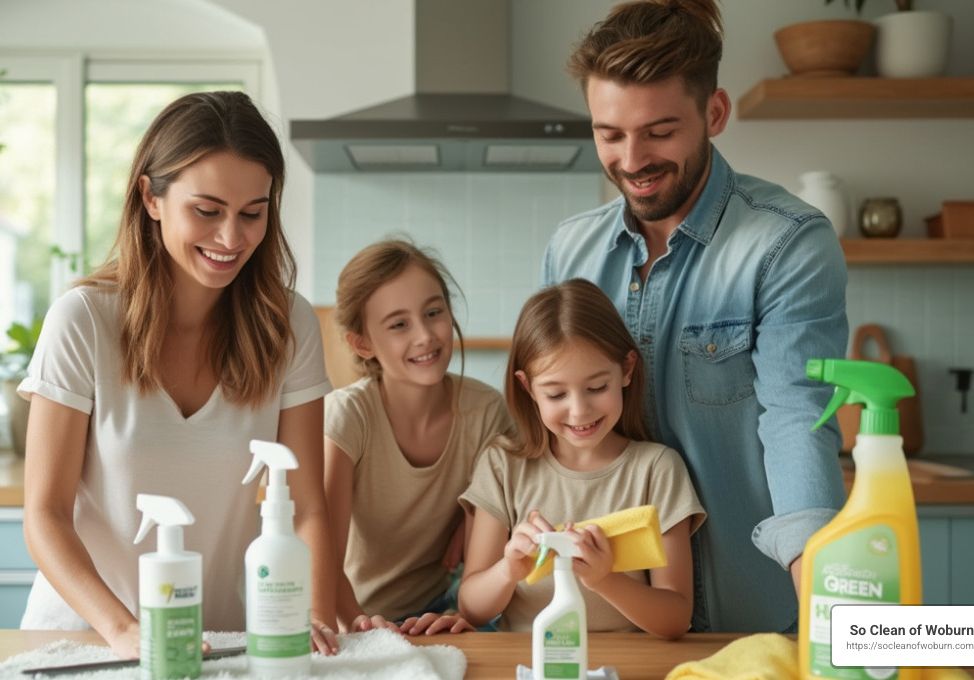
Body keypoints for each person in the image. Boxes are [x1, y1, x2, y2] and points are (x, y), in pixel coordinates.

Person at [541, 0, 849, 633]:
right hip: (610, 624)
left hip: (747, 618)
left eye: (659, 131)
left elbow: (798, 423)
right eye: (609, 133)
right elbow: (543, 429)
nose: (632, 160)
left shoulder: (787, 243)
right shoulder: (569, 250)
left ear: (715, 113)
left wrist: (828, 613)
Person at [18, 91, 341, 657]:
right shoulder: (84, 321)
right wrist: (123, 631)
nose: (231, 239)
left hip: (212, 642)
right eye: (208, 210)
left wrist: (311, 615)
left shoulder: (289, 325)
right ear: (152, 197)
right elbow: (45, 514)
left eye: (252, 213)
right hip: (81, 640)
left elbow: (309, 505)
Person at [457, 279, 705, 637]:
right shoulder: (502, 465)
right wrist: (508, 569)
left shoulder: (657, 470)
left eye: (596, 388)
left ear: (627, 369)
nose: (579, 411)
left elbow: (676, 619)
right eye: (556, 394)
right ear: (528, 388)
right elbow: (472, 608)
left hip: (626, 668)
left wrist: (603, 579)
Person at [324, 238, 513, 636]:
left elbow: (497, 529)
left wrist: (472, 512)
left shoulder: (486, 411)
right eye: (399, 324)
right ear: (362, 343)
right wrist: (357, 621)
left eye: (433, 312)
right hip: (355, 611)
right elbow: (323, 558)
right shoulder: (346, 417)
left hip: (441, 610)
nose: (425, 335)